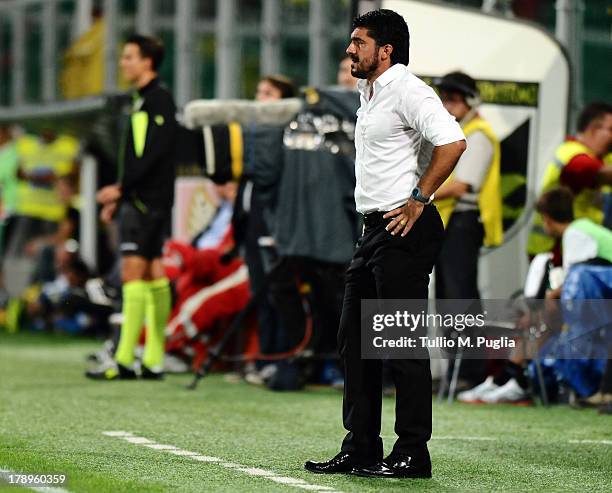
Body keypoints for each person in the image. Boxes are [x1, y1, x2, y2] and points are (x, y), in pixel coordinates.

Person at [304, 9, 466, 479]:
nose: (349, 49)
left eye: (358, 42)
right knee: (354, 342)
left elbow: (453, 142)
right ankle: (362, 449)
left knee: (399, 346)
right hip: (375, 230)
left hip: (404, 229)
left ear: (386, 50)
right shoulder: (369, 91)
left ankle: (413, 453)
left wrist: (419, 199)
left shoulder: (409, 89)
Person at [87, 34, 177, 380]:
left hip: (145, 201)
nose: (123, 63)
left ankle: (124, 359)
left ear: (147, 62)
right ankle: (152, 360)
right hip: (145, 200)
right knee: (154, 274)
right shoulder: (142, 101)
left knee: (132, 275)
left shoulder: (158, 100)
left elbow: (152, 154)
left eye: (128, 57)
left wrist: (121, 191)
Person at [433, 71, 503, 388]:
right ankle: (457, 372)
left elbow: (462, 186)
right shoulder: (460, 132)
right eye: (445, 98)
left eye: (454, 99)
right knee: (448, 299)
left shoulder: (477, 135)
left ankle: (470, 372)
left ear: (470, 101)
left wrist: (420, 194)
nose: (448, 105)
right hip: (452, 222)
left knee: (460, 297)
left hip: (463, 223)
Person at [528, 102, 612, 258]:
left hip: (580, 247)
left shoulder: (601, 157)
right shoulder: (574, 156)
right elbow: (599, 173)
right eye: (611, 130)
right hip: (555, 250)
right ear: (594, 129)